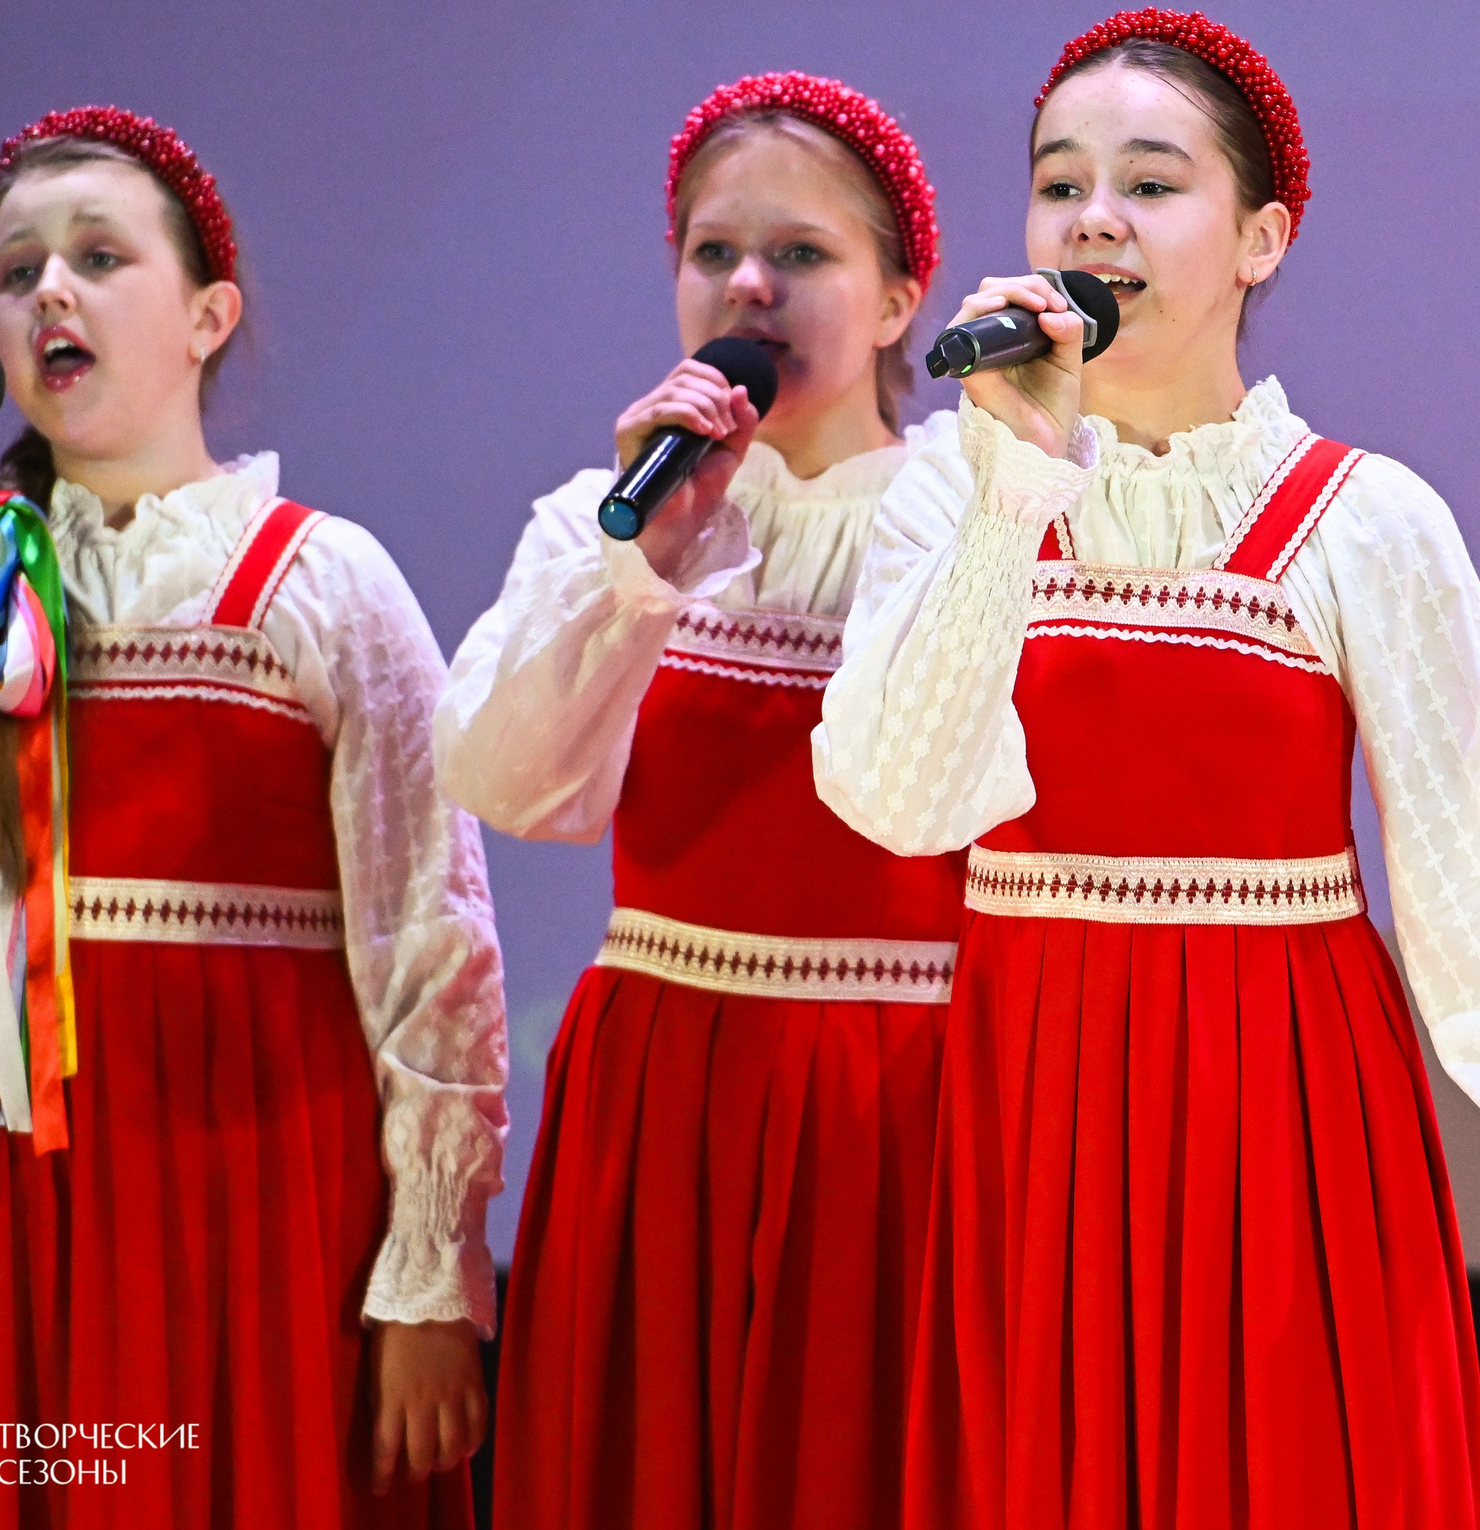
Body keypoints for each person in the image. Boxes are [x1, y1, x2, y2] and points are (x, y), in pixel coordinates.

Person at [815, 12, 1480, 1526]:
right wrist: (1010, 486)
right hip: (1033, 1102)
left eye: (1151, 181)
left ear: (1262, 237)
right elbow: (897, 796)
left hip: (1280, 1115)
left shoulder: (1361, 519)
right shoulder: (960, 483)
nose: (1094, 219)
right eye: (1059, 183)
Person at [0, 108, 506, 1525]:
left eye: (100, 256)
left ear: (209, 314)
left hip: (249, 1173)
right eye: (17, 266)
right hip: (5, 1178)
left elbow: (433, 938)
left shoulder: (320, 581)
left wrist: (427, 1275)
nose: (50, 292)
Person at [435, 73, 960, 1530]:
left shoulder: (964, 516)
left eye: (802, 255)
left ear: (901, 294)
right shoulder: (611, 514)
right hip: (664, 1081)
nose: (748, 284)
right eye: (713, 252)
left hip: (904, 1098)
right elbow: (501, 780)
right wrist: (640, 562)